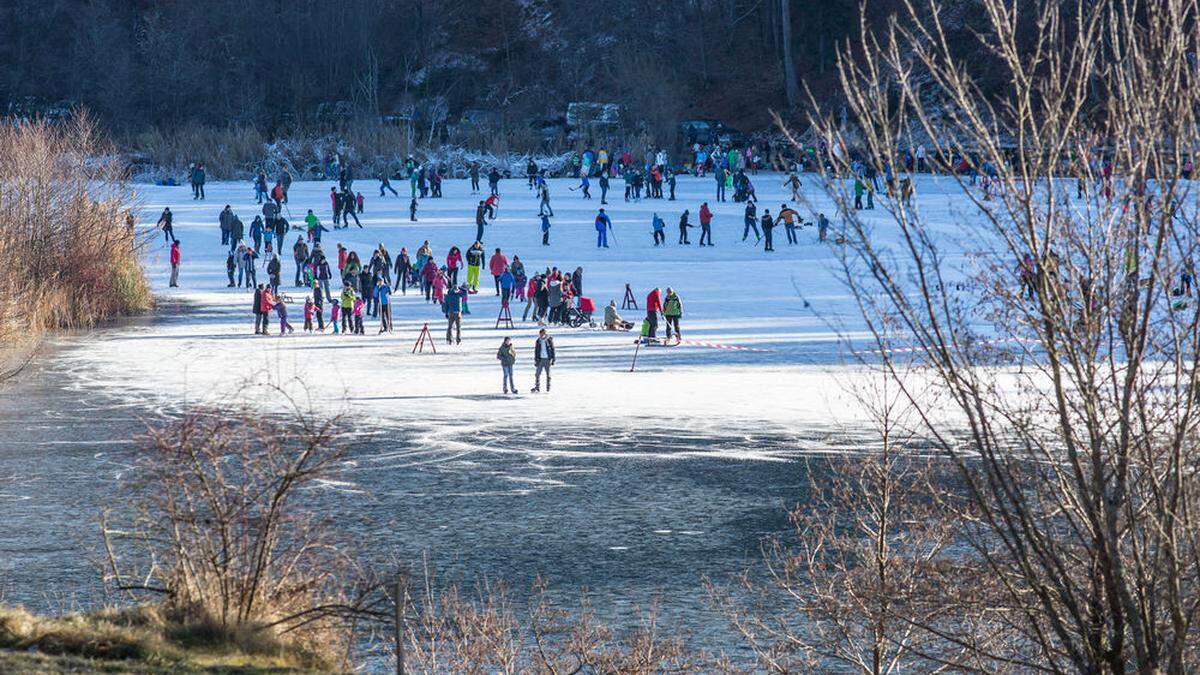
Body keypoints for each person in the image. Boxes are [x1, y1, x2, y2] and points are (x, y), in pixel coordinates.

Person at [531, 329, 555, 393]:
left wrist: (553, 359)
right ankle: (537, 387)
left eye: (543, 334)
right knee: (537, 374)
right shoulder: (538, 341)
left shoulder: (549, 340)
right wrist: (536, 360)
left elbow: (553, 349)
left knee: (548, 374)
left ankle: (548, 387)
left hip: (547, 359)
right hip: (540, 359)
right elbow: (536, 351)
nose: (542, 335)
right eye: (541, 334)